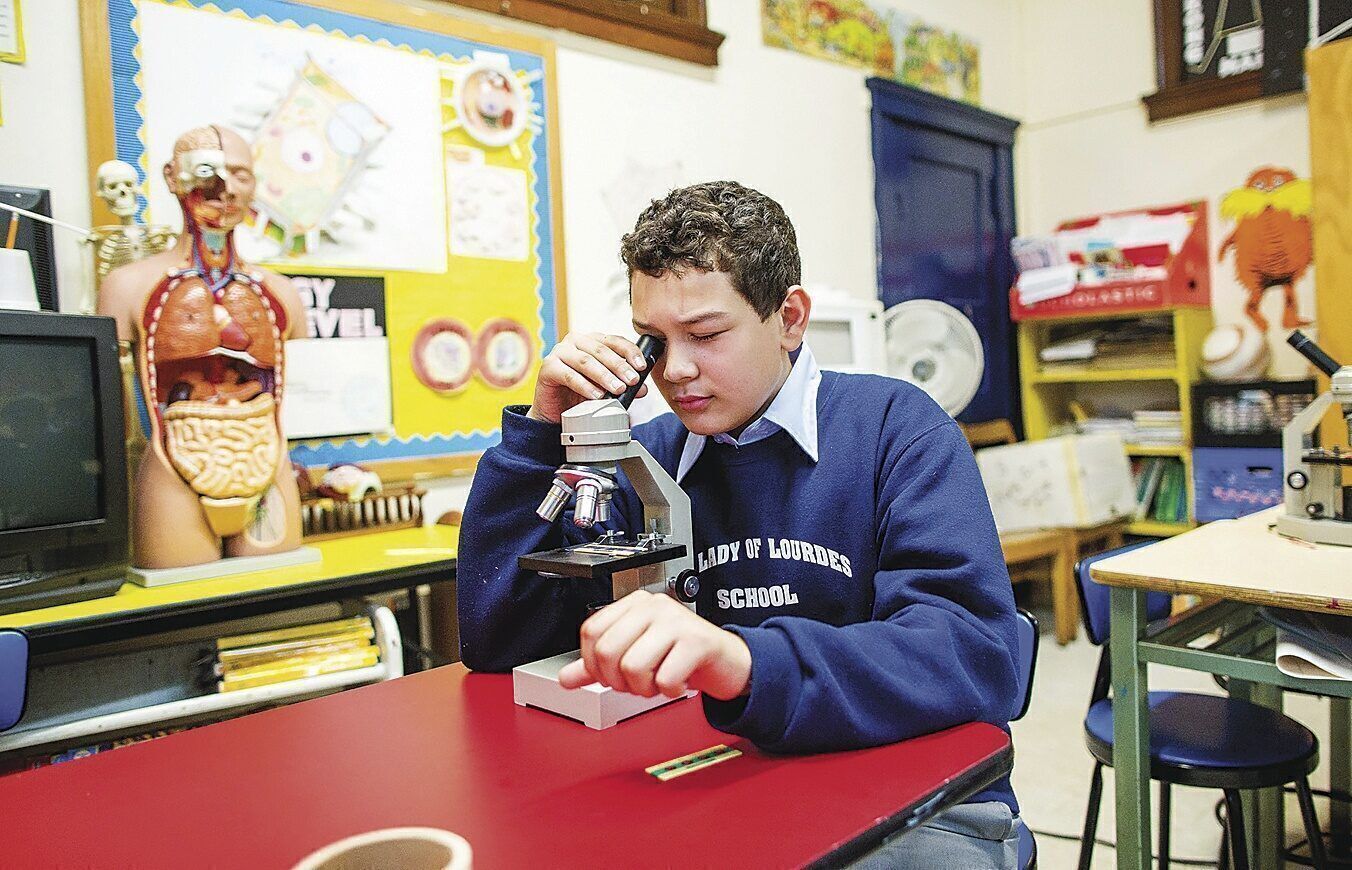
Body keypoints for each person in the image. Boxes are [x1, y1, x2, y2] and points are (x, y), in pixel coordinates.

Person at [458, 181, 1023, 868]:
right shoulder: (650, 457)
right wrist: (541, 434)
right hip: (725, 777)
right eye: (654, 343)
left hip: (912, 794)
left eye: (705, 335)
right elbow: (501, 646)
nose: (677, 371)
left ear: (789, 318)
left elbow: (970, 653)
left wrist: (745, 662)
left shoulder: (897, 431)